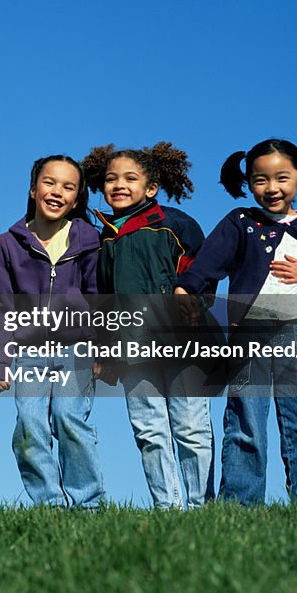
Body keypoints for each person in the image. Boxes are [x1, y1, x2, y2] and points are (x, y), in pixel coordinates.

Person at [175, 138, 297, 504]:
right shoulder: (240, 222)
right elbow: (208, 263)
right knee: (245, 420)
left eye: (282, 178)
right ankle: (240, 505)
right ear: (248, 183)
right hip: (249, 334)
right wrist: (187, 289)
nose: (271, 188)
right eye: (260, 180)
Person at [82, 142, 214, 510]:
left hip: (182, 342)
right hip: (131, 350)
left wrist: (194, 306)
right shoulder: (102, 239)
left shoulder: (176, 225)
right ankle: (168, 508)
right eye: (111, 179)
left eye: (130, 178)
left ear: (151, 188)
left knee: (191, 428)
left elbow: (201, 276)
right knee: (149, 430)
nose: (119, 185)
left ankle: (203, 508)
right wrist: (104, 352)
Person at [0, 155, 105, 508]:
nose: (57, 192)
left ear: (77, 197)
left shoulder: (88, 240)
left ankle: (88, 505)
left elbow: (97, 298)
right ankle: (49, 504)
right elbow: (1, 306)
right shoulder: (10, 243)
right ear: (33, 188)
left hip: (77, 347)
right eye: (50, 183)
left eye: (68, 187)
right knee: (30, 425)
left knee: (70, 420)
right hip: (29, 351)